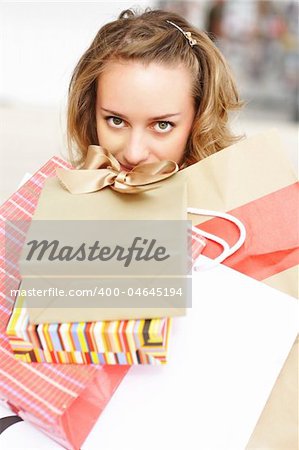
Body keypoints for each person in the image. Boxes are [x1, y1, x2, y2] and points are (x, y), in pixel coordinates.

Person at [67, 8, 243, 170]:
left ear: (200, 120)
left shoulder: (238, 202)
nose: (133, 155)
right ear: (90, 113)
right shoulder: (57, 199)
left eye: (162, 125)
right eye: (116, 121)